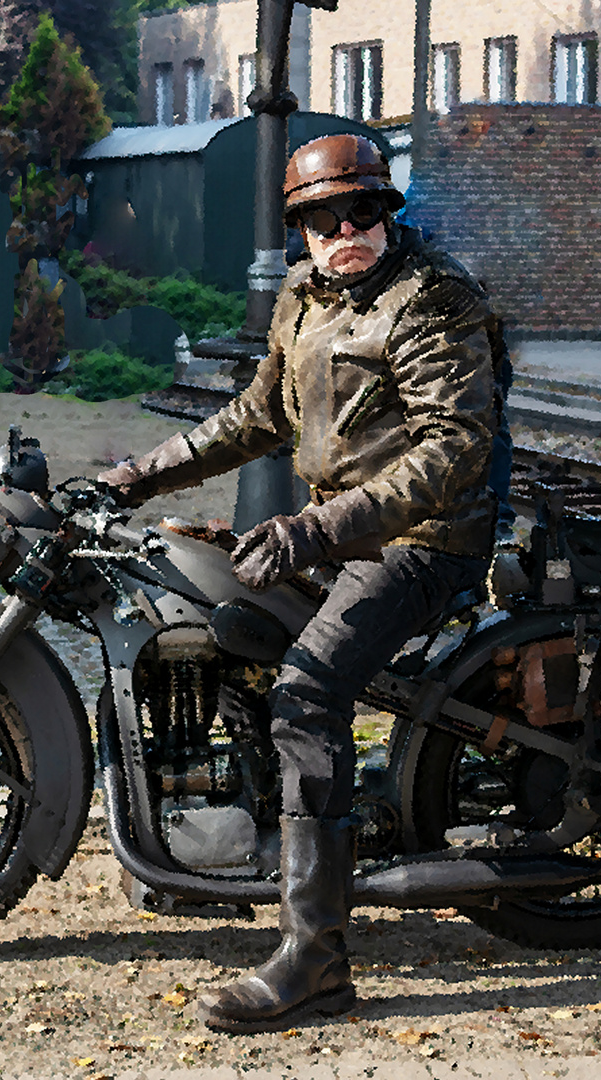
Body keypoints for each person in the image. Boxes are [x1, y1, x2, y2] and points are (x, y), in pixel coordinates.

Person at [98, 134, 503, 1034]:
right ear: (301, 229)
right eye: (323, 216)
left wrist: (314, 528)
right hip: (345, 531)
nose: (344, 229)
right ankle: (235, 853)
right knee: (223, 629)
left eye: (362, 210)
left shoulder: (432, 299)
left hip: (425, 542)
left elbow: (455, 450)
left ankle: (315, 962)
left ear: (387, 213)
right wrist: (142, 472)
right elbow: (257, 414)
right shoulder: (305, 296)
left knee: (308, 693)